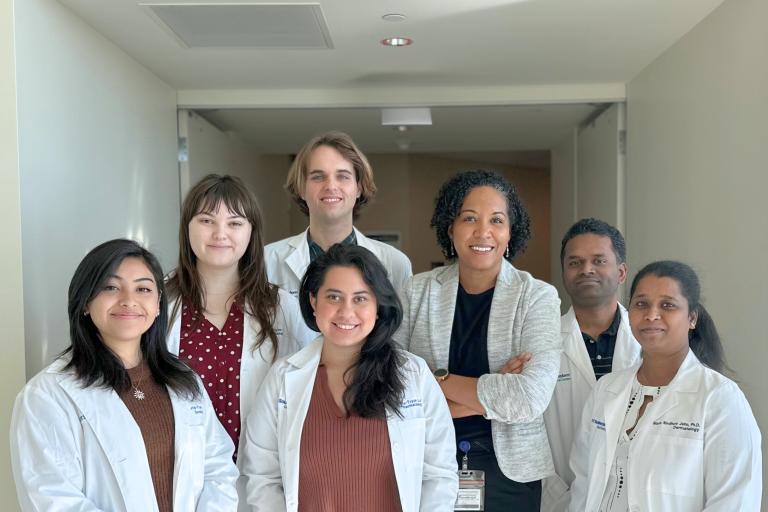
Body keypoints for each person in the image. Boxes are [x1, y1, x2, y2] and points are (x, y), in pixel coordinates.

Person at [10, 239, 238, 511]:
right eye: (110, 287)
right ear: (85, 302)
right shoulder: (47, 396)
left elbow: (217, 467)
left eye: (143, 288)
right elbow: (53, 499)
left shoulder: (183, 379)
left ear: (157, 305)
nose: (129, 300)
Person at [240, 244, 458, 512]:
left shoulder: (414, 375)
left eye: (360, 298)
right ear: (313, 301)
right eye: (333, 297)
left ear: (378, 305)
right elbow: (262, 477)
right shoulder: (283, 378)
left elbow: (439, 476)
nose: (346, 312)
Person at [395, 169, 562, 511]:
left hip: (512, 473)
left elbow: (529, 398)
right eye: (469, 218)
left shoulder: (537, 297)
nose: (483, 231)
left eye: (497, 220)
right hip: (426, 462)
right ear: (450, 228)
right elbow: (394, 384)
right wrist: (495, 389)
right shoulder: (417, 291)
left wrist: (436, 379)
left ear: (510, 232)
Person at [569, 260, 762, 511]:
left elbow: (734, 501)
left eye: (667, 305)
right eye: (641, 304)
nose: (651, 315)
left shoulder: (719, 398)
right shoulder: (606, 389)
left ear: (692, 318)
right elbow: (582, 483)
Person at [166, 174, 315, 459]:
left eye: (235, 223)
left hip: (259, 472)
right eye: (206, 220)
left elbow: (308, 386)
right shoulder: (159, 304)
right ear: (187, 227)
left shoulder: (281, 307)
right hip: (182, 470)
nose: (220, 233)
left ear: (251, 232)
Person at [539, 218, 641, 512]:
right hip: (564, 496)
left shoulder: (646, 342)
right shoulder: (540, 343)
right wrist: (555, 489)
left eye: (599, 260)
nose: (586, 269)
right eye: (575, 262)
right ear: (563, 273)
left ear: (621, 272)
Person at [265, 131, 412, 297]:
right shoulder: (267, 262)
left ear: (359, 188)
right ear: (301, 189)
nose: (331, 186)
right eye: (318, 177)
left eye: (342, 176)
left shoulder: (395, 263)